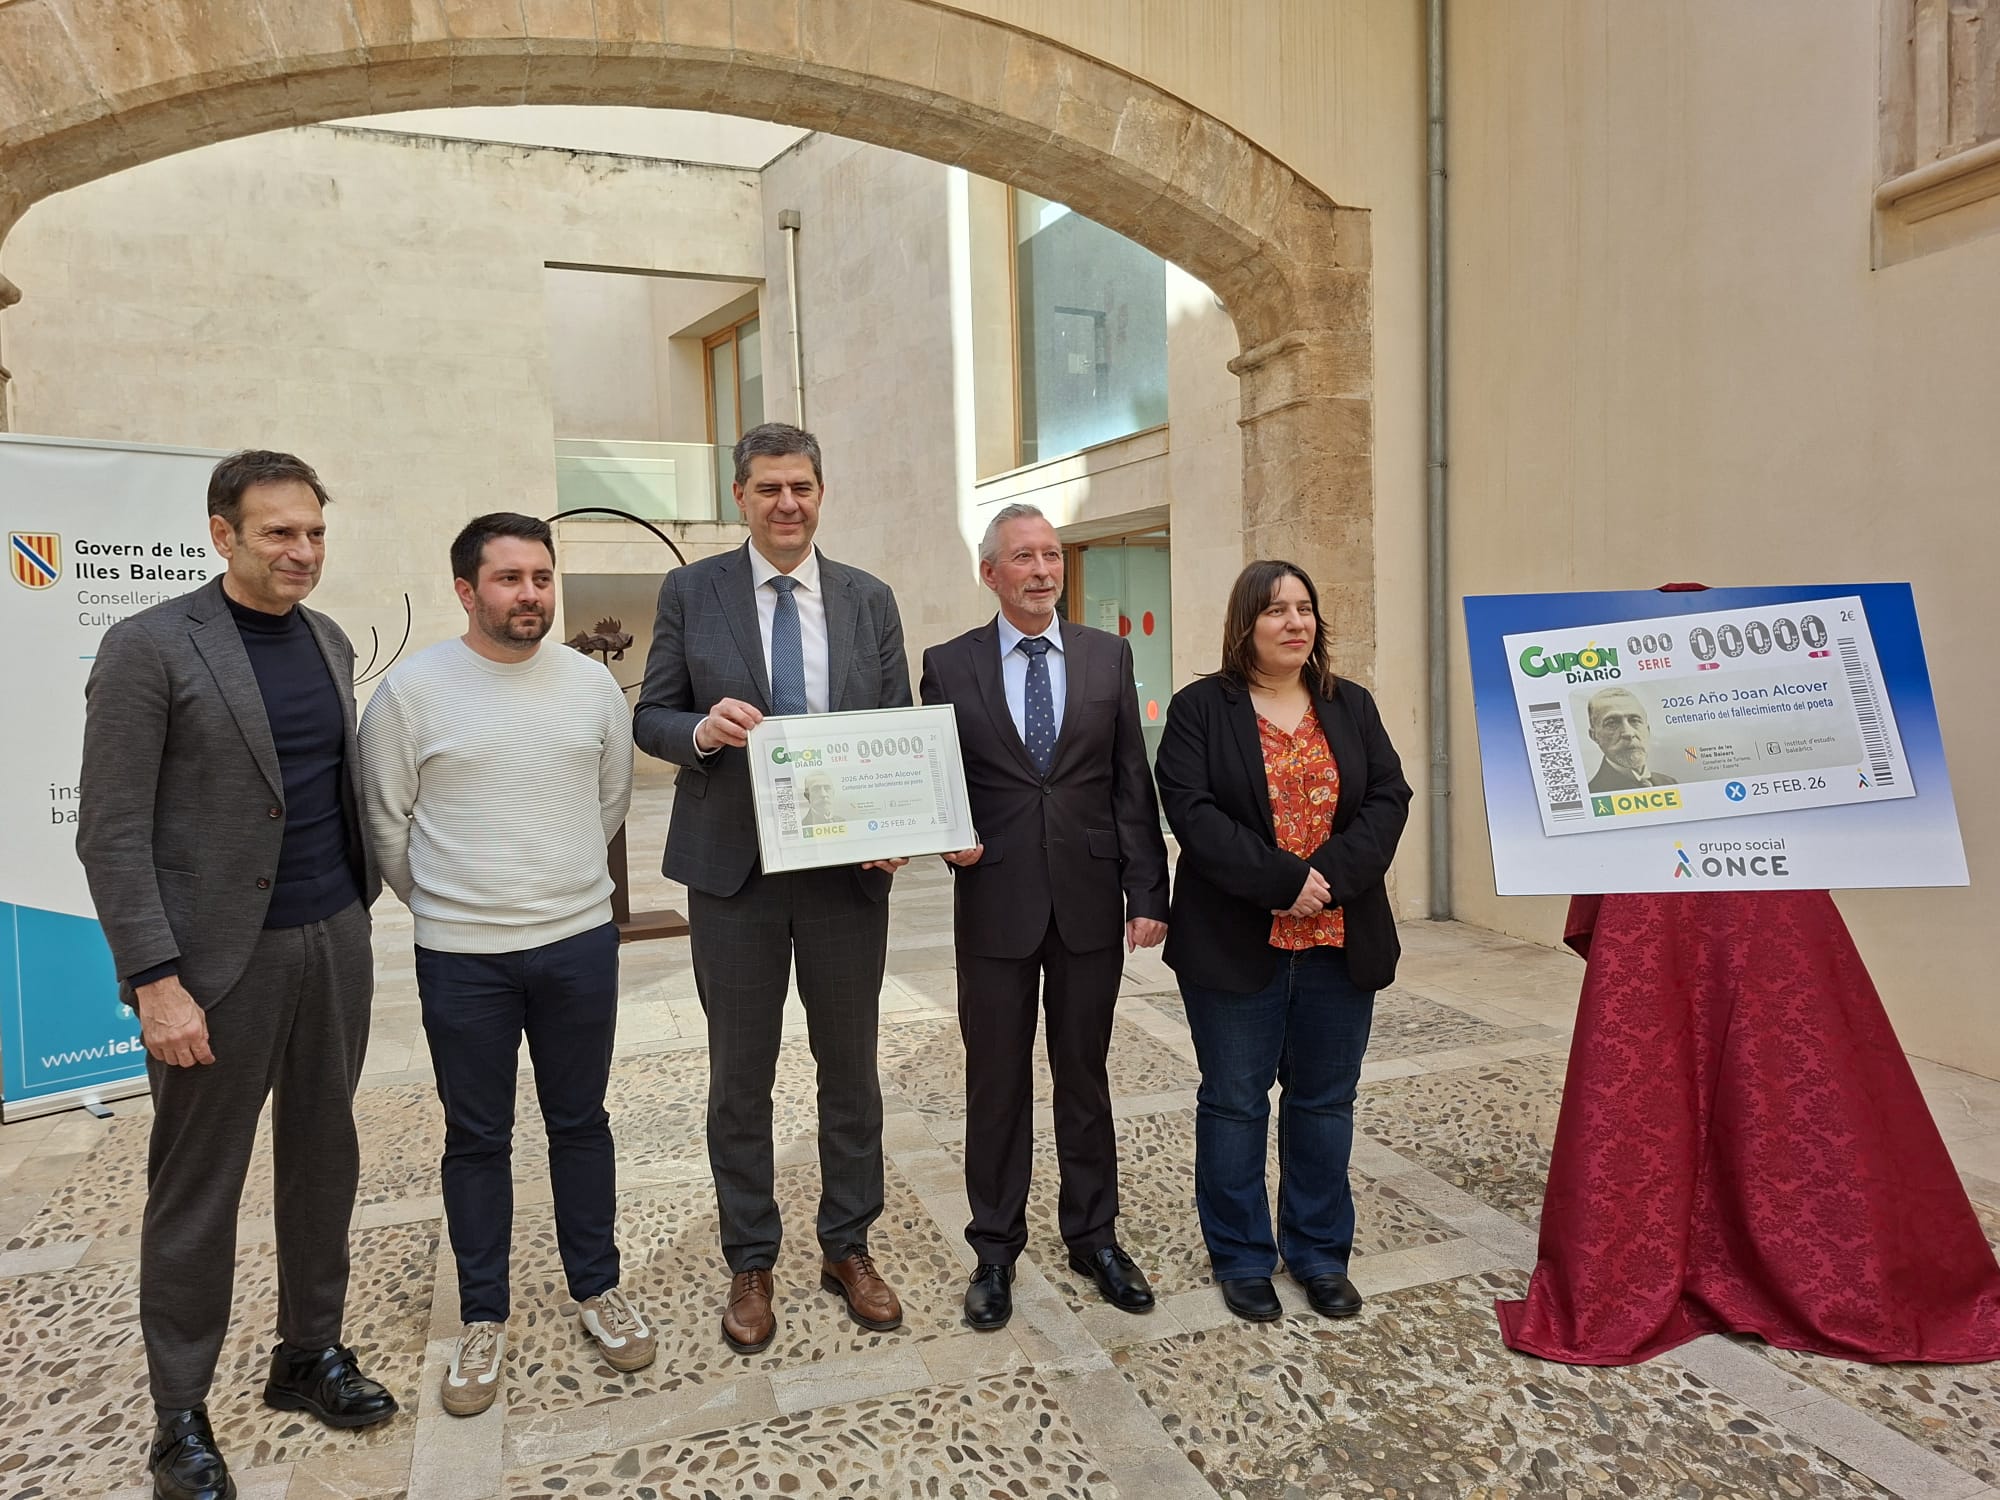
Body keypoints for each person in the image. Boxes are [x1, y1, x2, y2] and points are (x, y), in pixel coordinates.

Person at [76, 450, 397, 1500]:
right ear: (223, 535)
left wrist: (357, 904)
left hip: (331, 938)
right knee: (196, 1192)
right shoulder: (150, 647)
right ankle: (180, 1414)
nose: (302, 552)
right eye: (277, 534)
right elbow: (112, 831)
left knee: (323, 1161)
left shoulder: (328, 639)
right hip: (216, 965)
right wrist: (156, 980)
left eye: (312, 531)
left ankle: (309, 1353)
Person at [357, 513, 652, 1417]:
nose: (529, 594)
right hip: (461, 959)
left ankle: (597, 1289)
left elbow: (609, 802)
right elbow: (386, 825)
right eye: (509, 579)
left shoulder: (590, 687)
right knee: (476, 1139)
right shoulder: (410, 695)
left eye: (540, 577)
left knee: (581, 1122)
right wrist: (455, 899)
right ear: (465, 590)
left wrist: (555, 889)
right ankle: (483, 1316)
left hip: (576, 946)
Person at [633, 422, 912, 1354]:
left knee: (851, 1071)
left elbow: (898, 726)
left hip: (843, 876)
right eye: (767, 489)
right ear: (741, 498)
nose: (786, 503)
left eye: (801, 487)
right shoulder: (690, 589)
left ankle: (849, 1246)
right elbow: (652, 715)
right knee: (739, 1079)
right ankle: (750, 1260)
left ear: (821, 493)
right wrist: (704, 731)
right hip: (734, 875)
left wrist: (899, 827)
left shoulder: (869, 599)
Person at [920, 504, 1170, 1331]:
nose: (1040, 571)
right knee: (995, 1084)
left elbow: (1131, 780)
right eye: (1022, 557)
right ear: (990, 573)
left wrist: (1148, 892)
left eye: (1052, 556)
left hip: (1090, 904)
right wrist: (943, 835)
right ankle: (994, 1249)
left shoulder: (1107, 655)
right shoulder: (948, 666)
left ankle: (1093, 1237)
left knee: (1084, 1078)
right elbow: (932, 776)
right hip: (993, 901)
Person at [1154, 560, 1411, 1324]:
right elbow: (1192, 812)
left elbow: (1390, 799)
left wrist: (1324, 878)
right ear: (1246, 625)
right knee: (1234, 1104)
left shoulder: (1349, 705)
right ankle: (1241, 1257)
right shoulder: (1202, 708)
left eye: (1305, 609)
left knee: (1325, 1103)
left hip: (1339, 940)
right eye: (1276, 611)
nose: (1295, 623)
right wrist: (1281, 882)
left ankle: (1319, 1253)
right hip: (1237, 945)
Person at [1585, 687, 1676, 791]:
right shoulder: (1594, 792)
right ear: (1594, 736)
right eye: (1612, 723)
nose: (1628, 733)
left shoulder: (1669, 782)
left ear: (1648, 730)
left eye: (1634, 721)